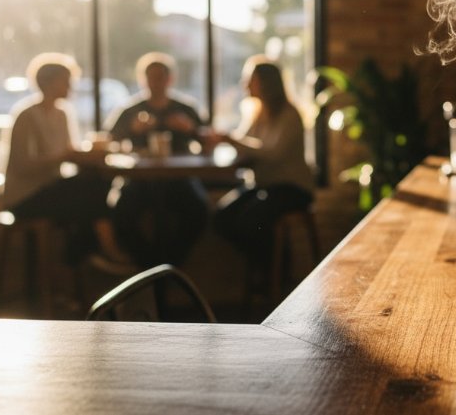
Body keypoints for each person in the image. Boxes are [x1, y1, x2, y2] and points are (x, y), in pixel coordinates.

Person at [1, 53, 127, 267]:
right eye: (66, 81)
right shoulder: (26, 116)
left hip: (50, 188)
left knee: (97, 187)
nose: (71, 86)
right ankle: (98, 253)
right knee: (91, 199)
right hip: (25, 196)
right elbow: (23, 166)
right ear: (48, 83)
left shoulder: (63, 113)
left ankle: (84, 256)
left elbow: (70, 152)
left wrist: (93, 154)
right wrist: (65, 157)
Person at [212, 56, 314, 294]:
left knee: (251, 219)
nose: (244, 85)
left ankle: (276, 276)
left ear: (265, 83)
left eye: (250, 80)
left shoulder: (289, 114)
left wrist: (231, 140)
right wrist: (221, 142)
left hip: (292, 188)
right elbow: (246, 145)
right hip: (265, 186)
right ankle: (268, 269)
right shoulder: (257, 113)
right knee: (222, 218)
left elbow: (273, 153)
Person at [105, 52, 210, 267]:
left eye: (160, 77)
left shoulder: (185, 108)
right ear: (142, 79)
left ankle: (171, 263)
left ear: (170, 79)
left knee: (199, 209)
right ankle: (148, 264)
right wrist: (130, 130)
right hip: (139, 179)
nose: (156, 82)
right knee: (121, 211)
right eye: (151, 77)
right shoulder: (131, 110)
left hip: (179, 177)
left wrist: (191, 129)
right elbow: (108, 142)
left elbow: (208, 142)